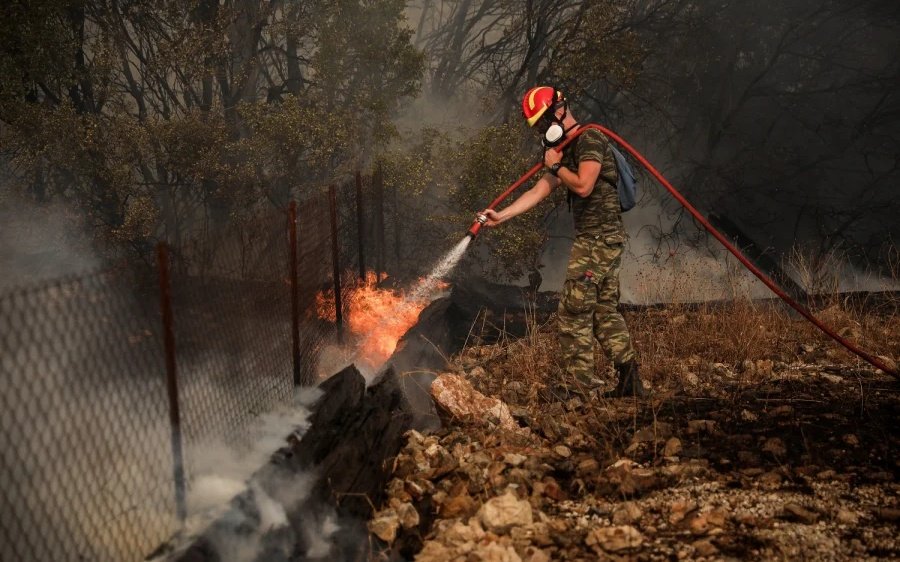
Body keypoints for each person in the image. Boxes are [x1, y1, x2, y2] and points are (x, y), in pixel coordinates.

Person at [479, 86, 645, 397]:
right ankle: (630, 382)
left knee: (572, 310)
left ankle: (579, 387)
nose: (542, 131)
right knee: (602, 311)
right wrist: (502, 215)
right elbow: (539, 190)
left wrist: (556, 165)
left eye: (542, 123)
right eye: (538, 127)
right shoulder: (568, 148)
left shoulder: (590, 139)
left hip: (598, 239)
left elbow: (583, 185)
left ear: (559, 110)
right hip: (600, 240)